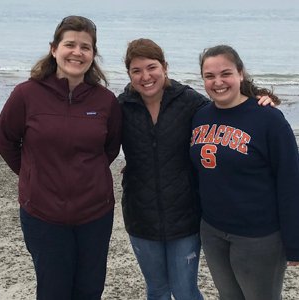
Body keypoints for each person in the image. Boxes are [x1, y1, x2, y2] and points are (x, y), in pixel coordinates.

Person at [118, 38, 275, 300]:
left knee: (184, 290)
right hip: (140, 215)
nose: (145, 76)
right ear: (129, 74)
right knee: (156, 290)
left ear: (165, 67)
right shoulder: (122, 107)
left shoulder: (189, 102)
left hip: (185, 215)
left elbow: (226, 104)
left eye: (151, 67)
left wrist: (257, 98)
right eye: (136, 70)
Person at [0, 16, 122, 299]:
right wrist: (32, 173)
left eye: (85, 47)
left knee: (90, 290)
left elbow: (111, 146)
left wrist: (88, 176)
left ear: (93, 54)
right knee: (53, 289)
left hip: (95, 213)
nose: (77, 52)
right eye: (70, 44)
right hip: (43, 213)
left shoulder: (105, 100)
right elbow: (5, 140)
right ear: (54, 49)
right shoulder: (26, 94)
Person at [190, 44, 299, 300]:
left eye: (225, 73)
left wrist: (294, 243)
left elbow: (290, 181)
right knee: (228, 296)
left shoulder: (269, 119)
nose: (218, 82)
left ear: (240, 73)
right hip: (213, 230)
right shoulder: (199, 116)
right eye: (209, 76)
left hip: (258, 236)